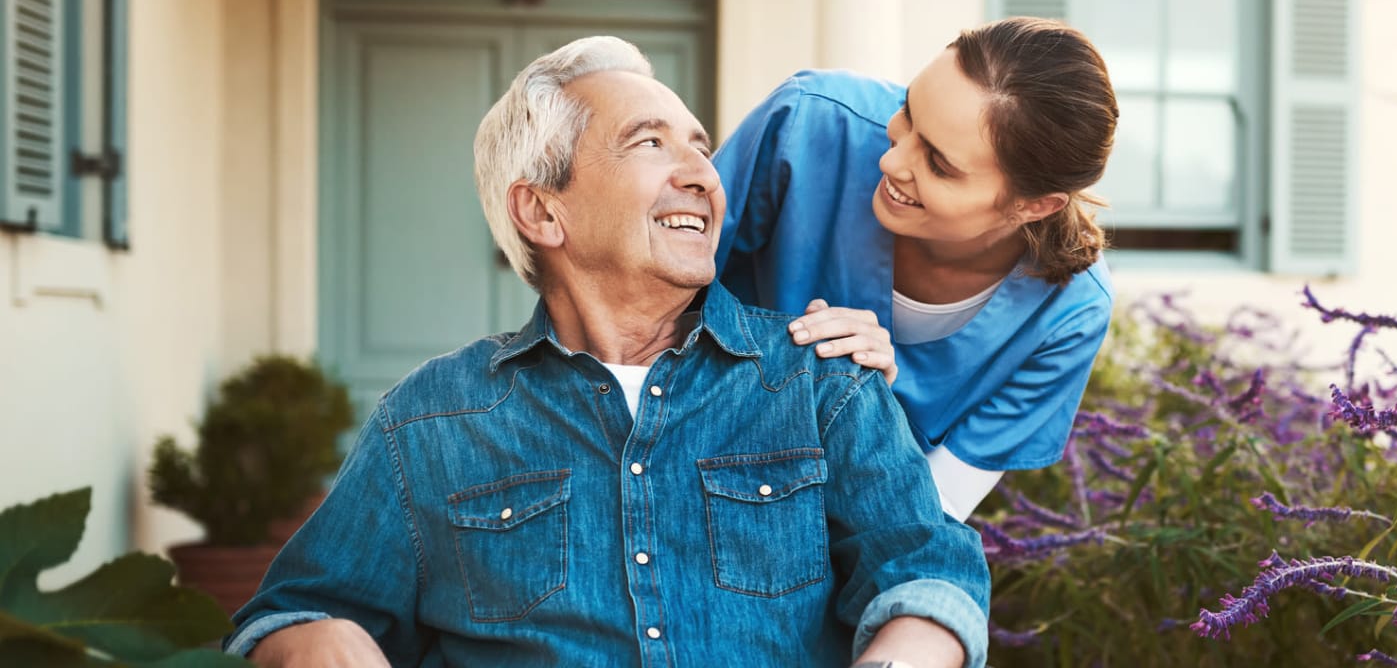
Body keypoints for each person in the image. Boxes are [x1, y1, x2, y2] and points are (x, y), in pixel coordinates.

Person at [226, 37, 991, 667]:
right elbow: (294, 611)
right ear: (542, 211)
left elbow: (928, 574)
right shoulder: (430, 422)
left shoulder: (820, 384)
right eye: (649, 143)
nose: (702, 174)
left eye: (698, 146)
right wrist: (317, 638)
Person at [712, 17, 1119, 521]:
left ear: (1034, 206)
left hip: (825, 541)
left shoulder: (1068, 317)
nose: (891, 161)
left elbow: (928, 514)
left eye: (940, 165)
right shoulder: (807, 123)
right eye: (907, 111)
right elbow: (643, 297)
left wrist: (869, 408)